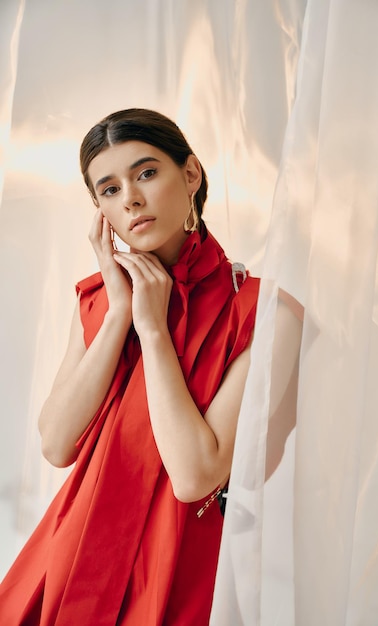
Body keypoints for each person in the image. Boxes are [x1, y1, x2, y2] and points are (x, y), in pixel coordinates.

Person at [0, 108, 260, 625]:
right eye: (110, 189)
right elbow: (56, 444)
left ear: (190, 174)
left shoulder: (258, 307)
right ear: (99, 209)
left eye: (145, 173)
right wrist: (121, 312)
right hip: (71, 553)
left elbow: (195, 476)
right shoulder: (99, 299)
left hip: (177, 565)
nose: (132, 199)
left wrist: (155, 330)